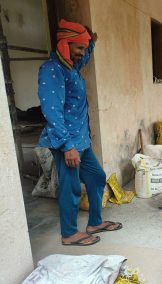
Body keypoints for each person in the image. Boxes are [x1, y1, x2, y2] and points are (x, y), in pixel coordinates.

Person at [38, 19, 122, 246]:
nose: (82, 53)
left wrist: (91, 43)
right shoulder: (52, 70)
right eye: (79, 48)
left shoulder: (70, 66)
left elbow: (83, 57)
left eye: (84, 48)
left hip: (81, 141)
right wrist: (67, 146)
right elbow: (52, 111)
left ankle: (94, 222)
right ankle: (69, 233)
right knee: (71, 188)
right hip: (69, 144)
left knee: (96, 177)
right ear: (65, 44)